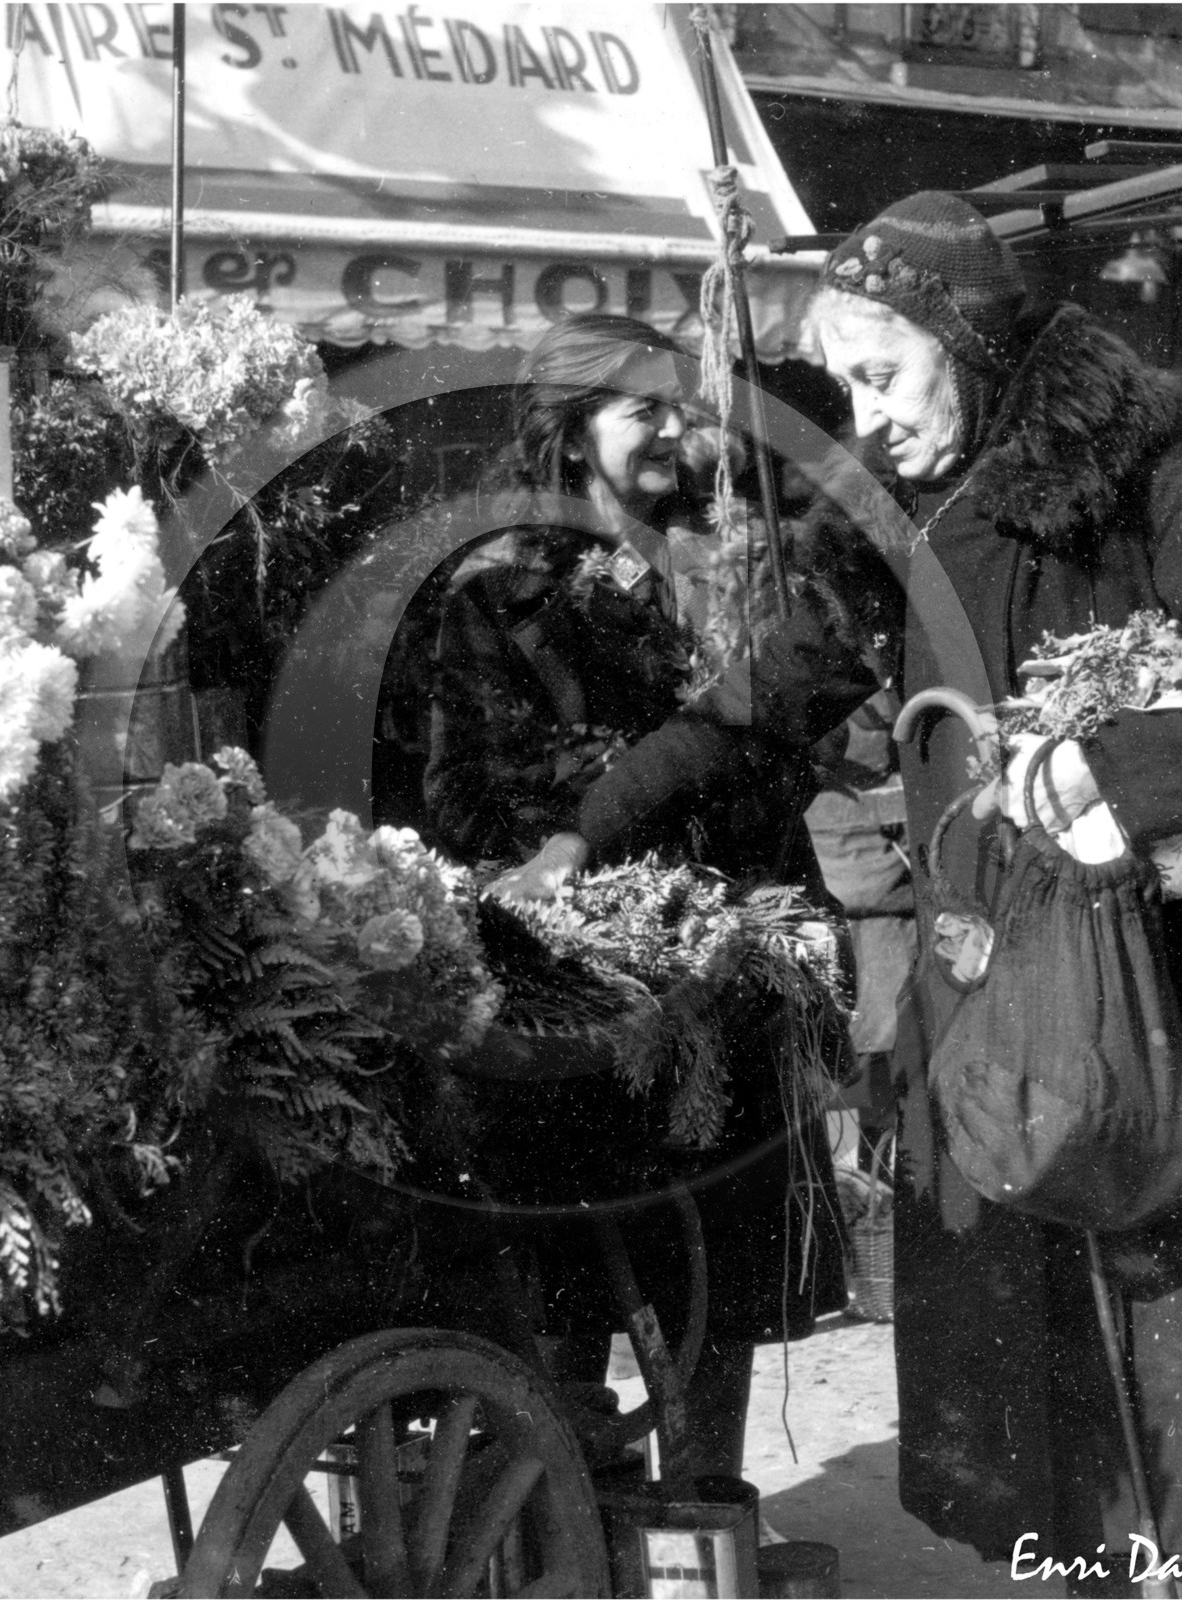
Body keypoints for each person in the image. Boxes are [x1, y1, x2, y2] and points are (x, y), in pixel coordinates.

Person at [585, 192, 1182, 1587]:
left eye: (884, 375)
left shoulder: (1139, 471)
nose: (864, 418)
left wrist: (1107, 769)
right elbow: (769, 703)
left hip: (1155, 997)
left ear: (969, 338)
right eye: (845, 387)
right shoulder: (889, 514)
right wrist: (595, 826)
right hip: (992, 1004)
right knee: (1041, 1396)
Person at [420, 312, 866, 1480]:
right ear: (570, 439)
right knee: (576, 1276)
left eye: (681, 406)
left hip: (734, 954)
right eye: (641, 412)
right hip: (587, 966)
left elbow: (782, 724)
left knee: (716, 1274)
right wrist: (589, 848)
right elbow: (467, 782)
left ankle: (707, 1507)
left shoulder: (730, 555)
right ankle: (575, 1509)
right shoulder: (504, 585)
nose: (675, 433)